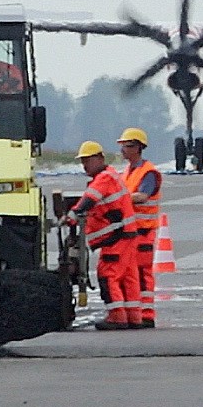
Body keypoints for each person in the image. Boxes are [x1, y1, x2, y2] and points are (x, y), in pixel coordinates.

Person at [65, 141, 139, 331]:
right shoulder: (111, 175)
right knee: (128, 278)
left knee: (108, 275)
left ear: (99, 158)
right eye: (82, 161)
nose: (84, 165)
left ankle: (117, 317)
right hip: (126, 235)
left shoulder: (104, 178)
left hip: (117, 237)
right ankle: (133, 317)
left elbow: (88, 201)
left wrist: (72, 216)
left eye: (87, 160)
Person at [117, 128, 162, 328]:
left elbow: (142, 196)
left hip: (143, 231)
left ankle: (147, 313)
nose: (123, 150)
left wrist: (118, 199)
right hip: (130, 232)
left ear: (138, 147)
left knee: (142, 274)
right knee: (130, 273)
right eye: (122, 146)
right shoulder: (127, 172)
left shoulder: (148, 173)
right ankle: (134, 312)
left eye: (127, 146)